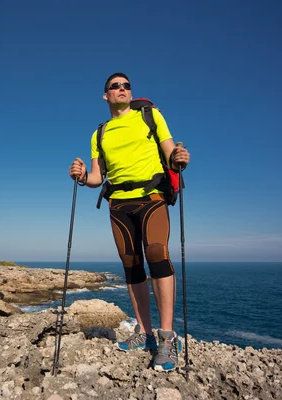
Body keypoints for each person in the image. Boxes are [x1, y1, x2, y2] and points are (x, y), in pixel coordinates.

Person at [68, 72, 190, 372]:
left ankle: (167, 339)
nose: (122, 89)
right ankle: (144, 334)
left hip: (151, 196)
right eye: (115, 86)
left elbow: (170, 154)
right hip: (118, 204)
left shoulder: (151, 116)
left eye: (126, 86)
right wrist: (83, 177)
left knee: (158, 255)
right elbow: (98, 177)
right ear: (106, 96)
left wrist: (179, 158)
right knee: (131, 264)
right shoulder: (100, 134)